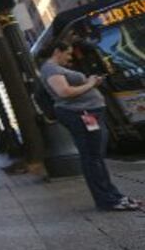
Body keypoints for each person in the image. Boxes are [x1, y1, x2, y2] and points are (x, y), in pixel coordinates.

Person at [40, 41, 140, 211]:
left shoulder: (54, 68)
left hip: (87, 113)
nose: (69, 57)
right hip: (80, 114)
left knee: (96, 157)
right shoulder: (50, 68)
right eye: (68, 54)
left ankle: (113, 195)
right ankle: (107, 200)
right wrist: (91, 84)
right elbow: (64, 92)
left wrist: (91, 82)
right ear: (57, 51)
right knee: (92, 158)